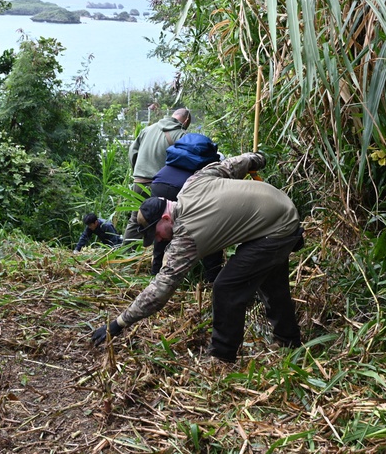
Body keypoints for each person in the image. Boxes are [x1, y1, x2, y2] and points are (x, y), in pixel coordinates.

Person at [91, 152, 304, 363]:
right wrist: (257, 158)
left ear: (166, 217)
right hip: (281, 208)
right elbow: (231, 164)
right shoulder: (193, 182)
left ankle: (222, 356)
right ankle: (288, 340)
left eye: (156, 233)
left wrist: (118, 324)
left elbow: (159, 291)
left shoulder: (186, 236)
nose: (158, 239)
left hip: (276, 229)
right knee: (271, 281)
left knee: (226, 287)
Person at [149, 132, 224, 280]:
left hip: (159, 184)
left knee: (160, 228)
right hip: (186, 189)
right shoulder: (211, 159)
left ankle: (156, 272)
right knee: (209, 228)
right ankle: (212, 276)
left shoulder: (177, 156)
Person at [124, 107, 191, 243]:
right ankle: (160, 258)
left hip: (139, 181)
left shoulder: (147, 129)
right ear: (187, 120)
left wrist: (138, 172)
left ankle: (124, 255)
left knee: (135, 219)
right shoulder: (181, 135)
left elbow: (132, 151)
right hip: (162, 186)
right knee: (163, 221)